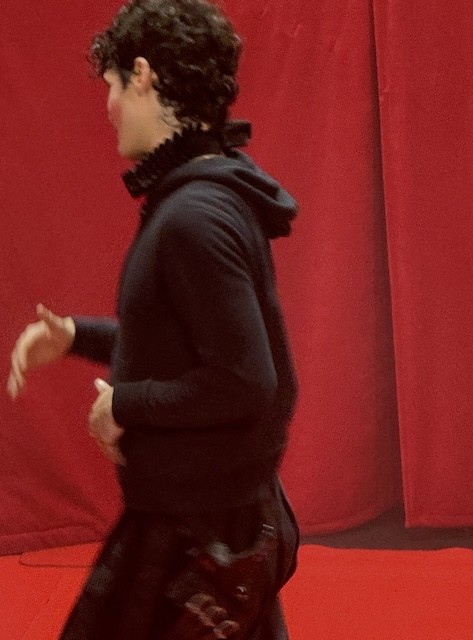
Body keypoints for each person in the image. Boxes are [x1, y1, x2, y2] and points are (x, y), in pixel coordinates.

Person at [7, 0, 299, 638]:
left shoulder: (195, 216)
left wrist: (125, 404)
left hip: (192, 539)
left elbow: (247, 383)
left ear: (142, 75)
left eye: (112, 85)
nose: (109, 106)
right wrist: (77, 337)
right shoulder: (205, 197)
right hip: (206, 523)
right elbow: (194, 349)